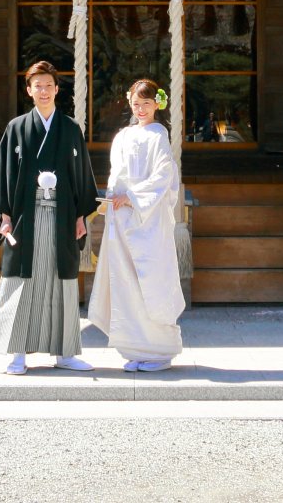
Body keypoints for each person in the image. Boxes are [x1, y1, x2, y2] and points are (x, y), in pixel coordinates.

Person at [0, 60, 100, 375]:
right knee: (22, 281)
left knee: (61, 282)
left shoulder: (70, 128)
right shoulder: (17, 128)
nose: (44, 91)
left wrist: (80, 216)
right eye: (38, 86)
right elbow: (5, 175)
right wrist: (5, 216)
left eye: (49, 85)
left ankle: (65, 353)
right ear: (29, 91)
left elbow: (80, 176)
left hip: (62, 215)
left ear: (57, 89)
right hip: (25, 215)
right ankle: (17, 354)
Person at [87, 78, 184, 371]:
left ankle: (159, 351)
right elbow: (116, 174)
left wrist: (131, 197)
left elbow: (162, 175)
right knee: (125, 283)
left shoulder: (159, 135)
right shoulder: (123, 136)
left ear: (157, 104)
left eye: (146, 103)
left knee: (151, 281)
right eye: (136, 103)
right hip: (122, 218)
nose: (141, 109)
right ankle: (135, 348)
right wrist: (114, 199)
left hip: (148, 220)